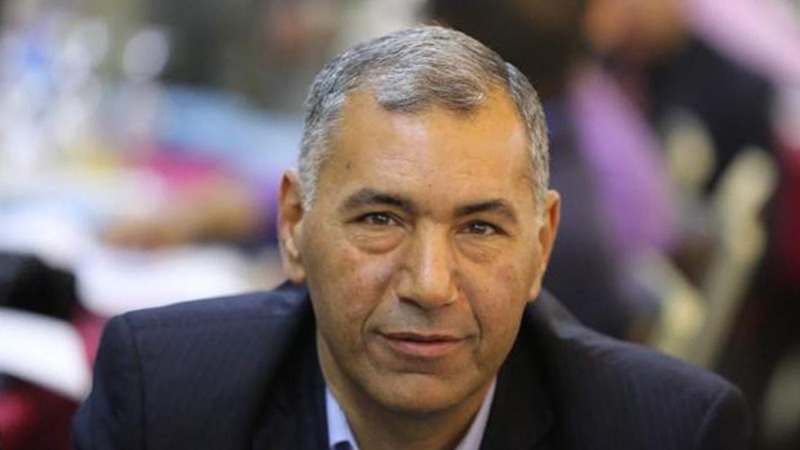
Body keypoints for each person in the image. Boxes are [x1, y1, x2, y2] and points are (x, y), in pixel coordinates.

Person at [71, 26, 748, 449]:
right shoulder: (164, 397)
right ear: (295, 226)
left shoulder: (669, 431)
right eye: (381, 220)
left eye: (480, 228)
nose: (429, 284)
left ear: (541, 247)